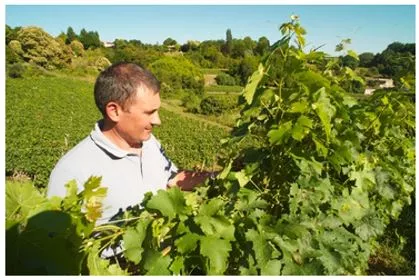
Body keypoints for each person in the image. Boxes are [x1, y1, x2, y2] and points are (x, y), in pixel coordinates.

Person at [47, 62, 213, 223]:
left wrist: (218, 178)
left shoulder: (149, 142)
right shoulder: (72, 171)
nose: (158, 121)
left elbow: (171, 179)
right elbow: (58, 241)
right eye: (149, 112)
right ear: (114, 111)